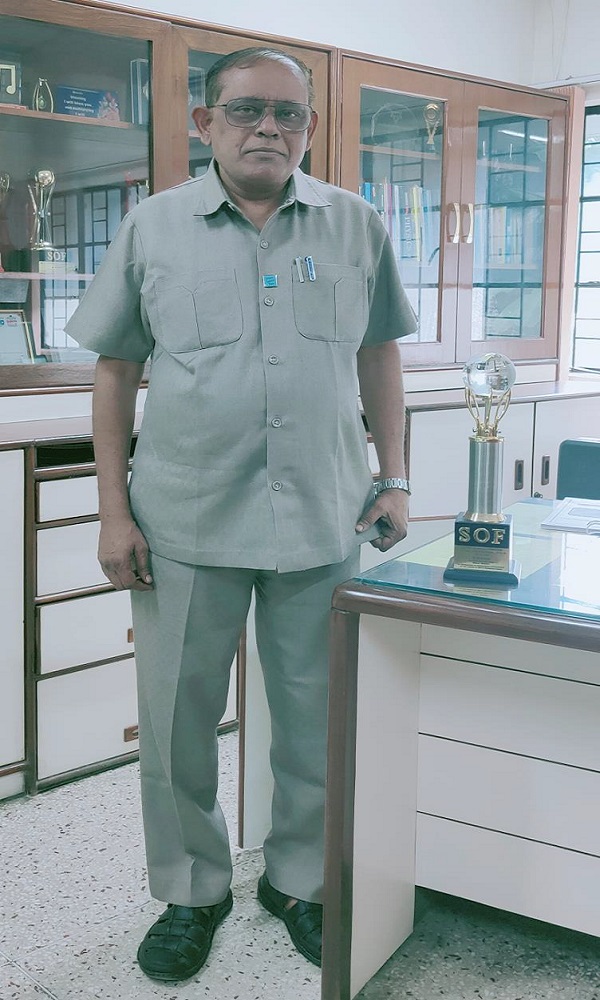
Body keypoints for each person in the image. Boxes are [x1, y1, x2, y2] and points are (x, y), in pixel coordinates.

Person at [66, 46, 417, 983]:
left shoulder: (355, 223)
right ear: (207, 123)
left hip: (323, 515)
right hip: (183, 521)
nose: (269, 128)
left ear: (309, 127)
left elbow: (380, 354)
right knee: (176, 720)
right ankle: (193, 890)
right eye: (248, 110)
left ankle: (299, 881)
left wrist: (395, 477)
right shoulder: (152, 226)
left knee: (316, 717)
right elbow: (115, 371)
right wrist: (112, 513)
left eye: (288, 114)